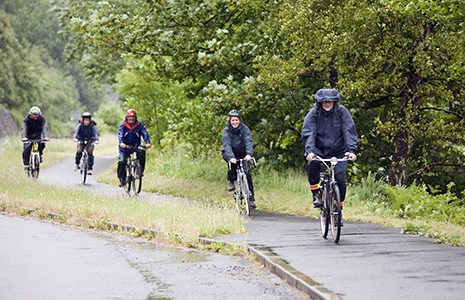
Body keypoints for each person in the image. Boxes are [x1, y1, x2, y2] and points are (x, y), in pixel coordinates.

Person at [301, 88, 358, 211]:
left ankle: (338, 208)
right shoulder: (313, 114)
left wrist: (351, 151)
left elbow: (349, 131)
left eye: (330, 101)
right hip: (318, 150)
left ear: (335, 102)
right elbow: (309, 133)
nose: (327, 104)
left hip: (338, 151)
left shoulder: (342, 112)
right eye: (324, 101)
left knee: (341, 180)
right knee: (312, 164)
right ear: (319, 103)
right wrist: (310, 151)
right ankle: (316, 194)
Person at [221, 109, 256, 208]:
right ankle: (231, 181)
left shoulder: (245, 129)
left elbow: (248, 141)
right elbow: (226, 144)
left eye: (236, 120)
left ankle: (251, 198)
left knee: (247, 173)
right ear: (229, 121)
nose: (235, 122)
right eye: (233, 120)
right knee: (232, 165)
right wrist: (231, 157)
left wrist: (249, 154)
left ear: (239, 120)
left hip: (243, 153)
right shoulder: (226, 130)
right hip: (230, 153)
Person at [117, 108, 152, 187]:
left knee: (142, 152)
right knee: (122, 161)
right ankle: (122, 178)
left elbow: (144, 133)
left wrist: (147, 142)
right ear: (127, 118)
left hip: (135, 146)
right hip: (124, 147)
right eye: (129, 118)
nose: (131, 120)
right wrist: (121, 143)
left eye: (132, 118)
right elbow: (120, 134)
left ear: (135, 118)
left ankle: (139, 171)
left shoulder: (139, 125)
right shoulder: (123, 126)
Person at [21, 106, 49, 171]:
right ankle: (26, 165)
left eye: (37, 114)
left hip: (38, 135)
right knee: (26, 149)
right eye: (34, 114)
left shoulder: (42, 119)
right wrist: (24, 137)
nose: (35, 116)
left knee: (42, 144)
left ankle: (40, 155)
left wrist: (45, 136)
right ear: (30, 114)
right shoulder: (26, 120)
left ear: (39, 114)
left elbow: (44, 128)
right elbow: (24, 129)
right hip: (28, 136)